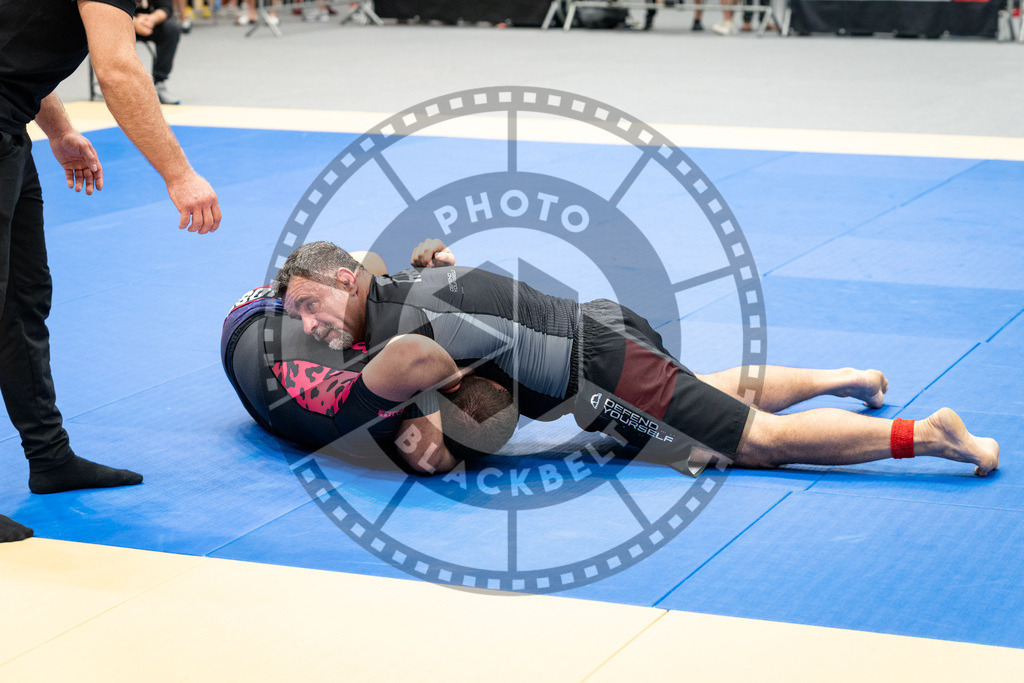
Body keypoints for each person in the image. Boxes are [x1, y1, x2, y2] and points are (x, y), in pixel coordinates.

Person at [271, 240, 1000, 480]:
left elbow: (431, 429)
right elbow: (384, 267)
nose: (310, 325)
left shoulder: (406, 335)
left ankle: (931, 434)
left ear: (344, 283)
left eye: (310, 306)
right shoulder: (400, 281)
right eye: (298, 316)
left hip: (604, 370)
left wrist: (378, 412)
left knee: (751, 444)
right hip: (601, 331)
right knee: (706, 394)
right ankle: (846, 377)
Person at [0, 0, 221, 543]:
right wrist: (179, 173)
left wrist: (58, 130)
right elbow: (117, 69)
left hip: (11, 124)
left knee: (22, 299)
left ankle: (49, 457)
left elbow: (14, 49)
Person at [222, 249, 517, 468]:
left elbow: (418, 355)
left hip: (252, 316)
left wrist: (424, 285)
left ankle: (394, 285)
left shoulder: (398, 370)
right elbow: (432, 460)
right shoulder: (405, 436)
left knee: (372, 279)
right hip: (244, 360)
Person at [134, 0, 183, 105]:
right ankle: (115, 83)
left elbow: (165, 8)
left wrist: (152, 19)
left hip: (147, 21)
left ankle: (159, 83)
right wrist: (133, 22)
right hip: (119, 21)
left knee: (171, 29)